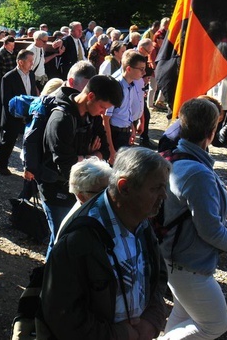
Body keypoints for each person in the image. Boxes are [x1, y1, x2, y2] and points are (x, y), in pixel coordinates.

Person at [40, 147, 169, 339]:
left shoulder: (140, 218)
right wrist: (118, 335)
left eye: (164, 187)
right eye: (155, 188)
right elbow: (63, 316)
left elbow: (158, 275)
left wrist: (152, 320)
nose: (164, 196)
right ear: (124, 187)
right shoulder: (80, 239)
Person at [160, 98, 227, 339]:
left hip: (176, 258)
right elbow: (210, 230)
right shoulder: (197, 173)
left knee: (184, 314)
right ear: (211, 132)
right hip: (188, 263)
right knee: (215, 324)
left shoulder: (176, 158)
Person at [35, 74, 121, 256]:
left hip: (81, 190)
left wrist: (83, 157)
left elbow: (105, 151)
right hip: (55, 190)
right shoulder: (61, 119)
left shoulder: (94, 116)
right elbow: (66, 167)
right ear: (90, 96)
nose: (104, 113)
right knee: (60, 239)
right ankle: (50, 279)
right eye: (103, 107)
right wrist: (91, 155)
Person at [0, 49, 37, 176]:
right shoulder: (8, 77)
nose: (32, 64)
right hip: (13, 115)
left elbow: (32, 93)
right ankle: (1, 165)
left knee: (30, 141)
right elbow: (5, 100)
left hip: (29, 114)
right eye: (30, 61)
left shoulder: (31, 74)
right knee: (8, 141)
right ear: (20, 62)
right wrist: (18, 114)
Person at [103, 49, 147, 163]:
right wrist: (111, 150)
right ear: (128, 68)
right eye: (141, 69)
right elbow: (105, 119)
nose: (144, 73)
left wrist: (131, 127)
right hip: (115, 135)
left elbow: (126, 110)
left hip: (125, 133)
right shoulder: (116, 87)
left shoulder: (131, 85)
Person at [55, 157, 112, 240]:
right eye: (103, 191)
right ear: (81, 196)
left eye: (112, 187)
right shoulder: (78, 229)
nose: (111, 193)